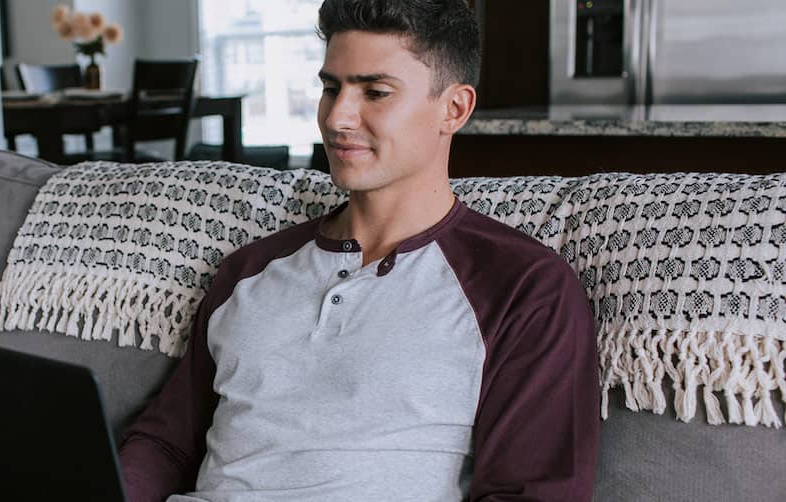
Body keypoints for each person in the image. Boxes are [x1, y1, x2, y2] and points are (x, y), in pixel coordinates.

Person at [118, 0, 600, 500]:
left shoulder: (525, 287)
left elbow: (534, 491)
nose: (338, 117)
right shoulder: (250, 269)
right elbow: (165, 444)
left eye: (375, 92)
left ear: (453, 109)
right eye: (331, 88)